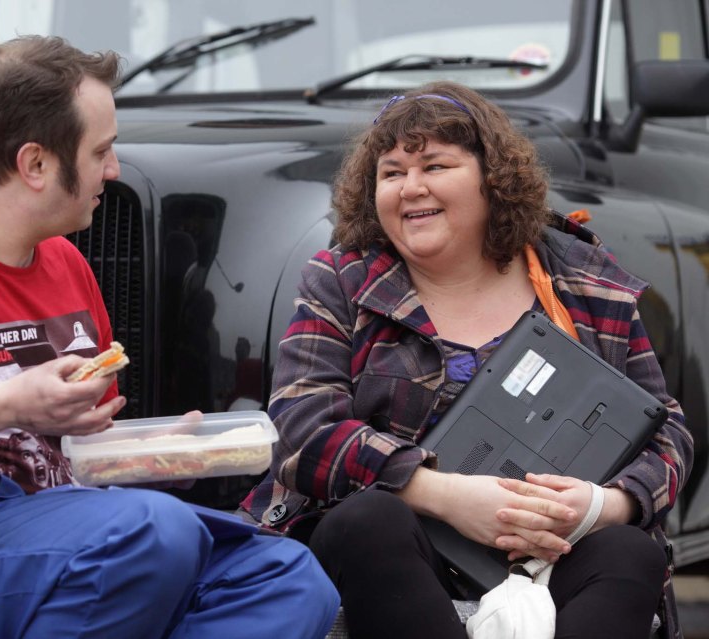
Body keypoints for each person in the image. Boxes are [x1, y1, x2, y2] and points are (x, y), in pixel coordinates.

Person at [0, 35, 339, 639]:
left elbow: (67, 461)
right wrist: (5, 404)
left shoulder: (65, 264)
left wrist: (154, 453)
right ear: (35, 164)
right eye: (101, 149)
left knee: (288, 578)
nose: (114, 169)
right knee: (156, 533)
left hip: (62, 532)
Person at [239, 81, 692, 639]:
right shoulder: (341, 279)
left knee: (627, 551)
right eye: (392, 172)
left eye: (434, 165)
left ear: (492, 179)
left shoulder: (582, 281)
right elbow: (302, 430)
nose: (411, 188)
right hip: (402, 551)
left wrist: (602, 506)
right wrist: (448, 498)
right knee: (366, 522)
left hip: (553, 547)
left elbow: (668, 432)